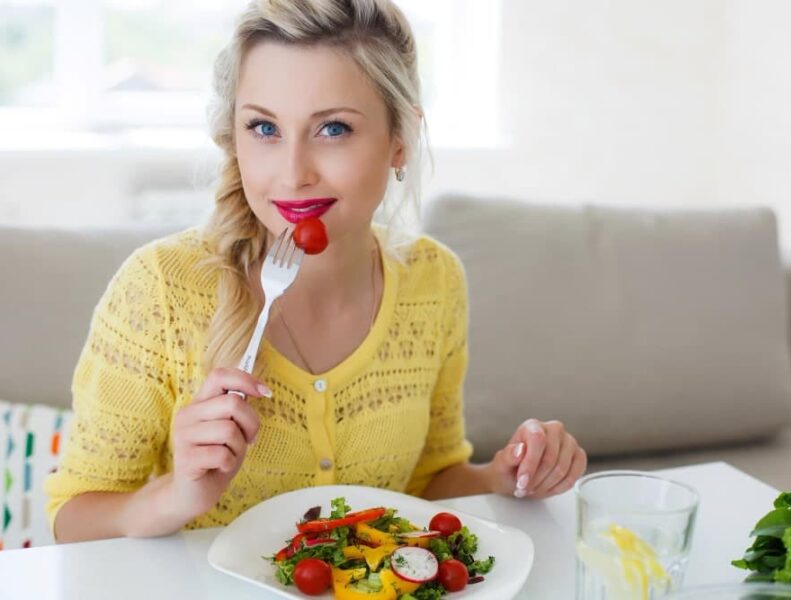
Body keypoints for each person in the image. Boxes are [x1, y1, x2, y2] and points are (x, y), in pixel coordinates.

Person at [46, 0, 587, 543]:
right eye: (263, 127)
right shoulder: (161, 288)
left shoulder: (434, 281)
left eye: (332, 129)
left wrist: (507, 474)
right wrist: (176, 496)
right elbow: (71, 520)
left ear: (399, 140)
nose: (292, 174)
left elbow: (425, 481)